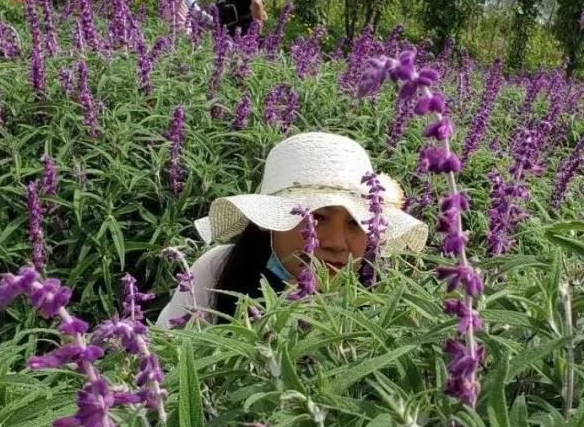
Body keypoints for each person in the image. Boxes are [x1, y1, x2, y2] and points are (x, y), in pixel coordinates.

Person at [157, 132, 427, 326]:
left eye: (356, 222)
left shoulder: (383, 298)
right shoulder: (218, 268)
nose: (336, 243)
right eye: (317, 218)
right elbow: (168, 358)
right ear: (267, 223)